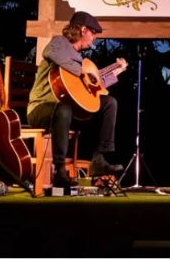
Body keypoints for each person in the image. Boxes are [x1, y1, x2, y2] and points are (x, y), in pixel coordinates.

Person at [27, 11, 127, 190]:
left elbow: (91, 85)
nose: (94, 38)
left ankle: (99, 159)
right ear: (83, 30)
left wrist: (114, 74)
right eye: (93, 33)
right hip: (41, 108)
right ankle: (60, 170)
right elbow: (49, 52)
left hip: (67, 110)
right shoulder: (60, 43)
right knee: (64, 109)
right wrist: (81, 70)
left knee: (109, 103)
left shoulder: (80, 60)